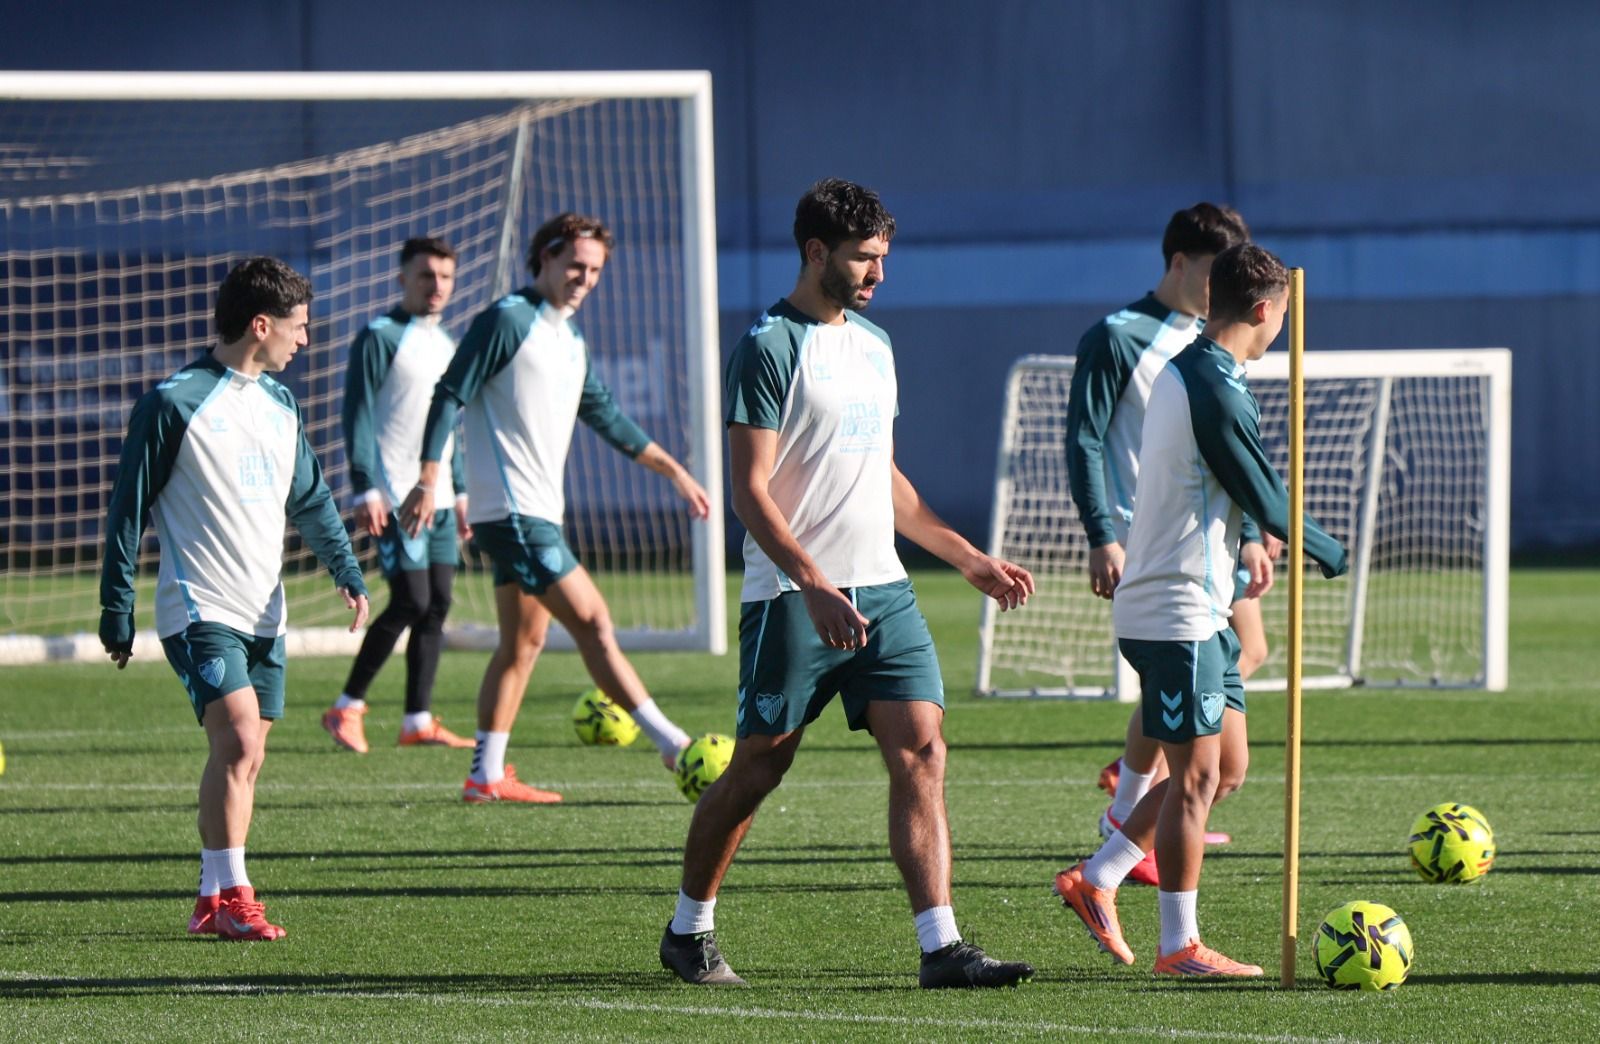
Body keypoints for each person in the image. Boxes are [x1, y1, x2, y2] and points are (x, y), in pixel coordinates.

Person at [658, 178, 1036, 990]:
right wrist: (814, 583)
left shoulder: (874, 344)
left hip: (885, 593)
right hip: (794, 600)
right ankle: (689, 931)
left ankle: (942, 947)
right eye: (865, 259)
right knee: (761, 765)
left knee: (924, 752)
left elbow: (886, 477)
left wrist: (965, 555)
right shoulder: (768, 346)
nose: (878, 274)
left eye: (883, 259)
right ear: (815, 252)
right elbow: (749, 490)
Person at [1055, 243, 1348, 976]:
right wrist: (1326, 547)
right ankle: (1178, 946)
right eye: (1281, 314)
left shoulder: (1204, 369)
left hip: (1200, 609)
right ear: (1264, 311)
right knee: (1192, 780)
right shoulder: (1210, 381)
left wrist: (1256, 536)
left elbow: (1239, 487)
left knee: (1218, 772)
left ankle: (1100, 876)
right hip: (1173, 609)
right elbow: (1266, 493)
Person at [99, 257, 370, 941]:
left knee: (243, 757)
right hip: (199, 609)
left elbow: (309, 497)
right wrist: (116, 606)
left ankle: (208, 896)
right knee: (240, 739)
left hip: (264, 613)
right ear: (261, 324)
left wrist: (346, 568)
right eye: (298, 327)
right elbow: (127, 509)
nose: (303, 340)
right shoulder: (175, 402)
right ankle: (234, 896)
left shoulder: (280, 404)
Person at [400, 213, 710, 804]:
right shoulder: (508, 320)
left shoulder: (568, 337)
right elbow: (449, 393)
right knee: (593, 620)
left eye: (594, 270)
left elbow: (607, 416)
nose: (584, 278)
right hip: (514, 516)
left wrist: (675, 472)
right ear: (543, 257)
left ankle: (485, 775)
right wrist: (429, 476)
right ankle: (673, 744)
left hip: (536, 513)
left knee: (523, 644)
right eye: (575, 265)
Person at [1062, 203, 1276, 886]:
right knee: (1197, 675)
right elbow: (1085, 439)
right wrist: (1101, 534)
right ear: (1180, 263)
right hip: (1151, 549)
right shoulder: (1120, 337)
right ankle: (1132, 811)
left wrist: (1247, 535)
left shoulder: (1214, 344)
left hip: (1211, 547)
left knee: (1247, 655)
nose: (1226, 286)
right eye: (1216, 271)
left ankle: (1139, 806)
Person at [321, 236, 474, 753]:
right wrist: (365, 486)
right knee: (411, 599)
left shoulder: (449, 342)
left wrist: (465, 489)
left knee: (438, 605)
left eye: (446, 277)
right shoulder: (380, 336)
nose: (438, 286)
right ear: (402, 278)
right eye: (427, 275)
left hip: (443, 498)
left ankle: (418, 720)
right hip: (394, 495)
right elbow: (358, 415)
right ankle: (347, 708)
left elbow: (450, 427)